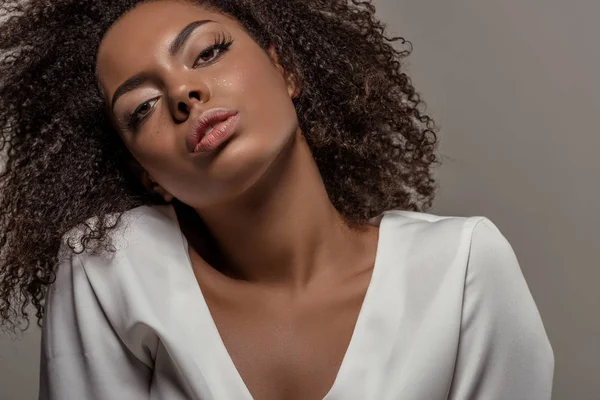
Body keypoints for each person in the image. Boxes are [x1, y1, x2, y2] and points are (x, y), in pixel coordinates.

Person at [0, 0, 554, 399]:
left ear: (285, 69)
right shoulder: (112, 268)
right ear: (148, 176)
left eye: (208, 52)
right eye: (142, 107)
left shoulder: (461, 270)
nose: (183, 93)